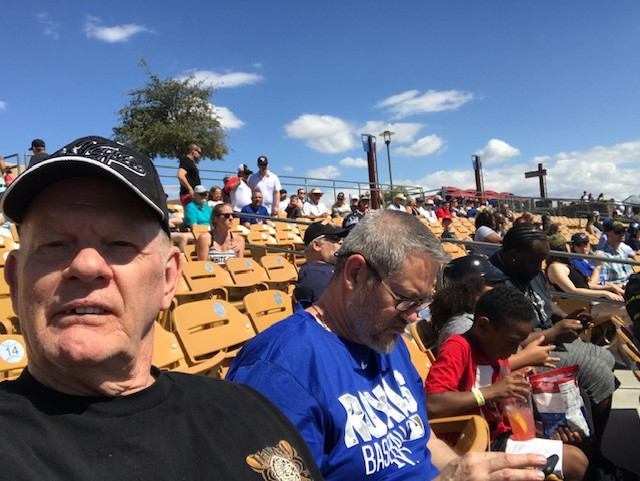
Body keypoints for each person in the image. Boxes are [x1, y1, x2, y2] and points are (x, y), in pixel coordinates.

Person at [0, 135, 323, 480]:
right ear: (16, 281)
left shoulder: (250, 410)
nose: (86, 265)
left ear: (168, 279)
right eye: (54, 243)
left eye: (119, 243)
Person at [227, 210, 549, 481]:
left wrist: (459, 469)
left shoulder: (386, 342)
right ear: (355, 273)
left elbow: (423, 440)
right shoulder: (279, 370)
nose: (413, 317)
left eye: (422, 302)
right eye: (405, 299)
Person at [489, 224, 619, 470]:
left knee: (606, 358)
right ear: (515, 255)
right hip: (529, 353)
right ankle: (589, 458)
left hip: (551, 338)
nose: (540, 268)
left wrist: (568, 317)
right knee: (597, 373)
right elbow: (507, 340)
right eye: (535, 260)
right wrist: (554, 332)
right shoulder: (495, 282)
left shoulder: (530, 270)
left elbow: (547, 307)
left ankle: (592, 445)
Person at [426, 286, 588, 481]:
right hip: (476, 444)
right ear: (483, 326)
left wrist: (548, 431)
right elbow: (432, 403)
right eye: (512, 343)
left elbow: (505, 414)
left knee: (578, 447)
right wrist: (490, 392)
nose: (514, 351)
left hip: (503, 435)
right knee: (576, 462)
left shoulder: (495, 350)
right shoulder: (458, 348)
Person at [546, 234, 626, 320]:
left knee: (632, 303)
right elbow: (572, 290)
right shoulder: (555, 267)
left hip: (589, 302)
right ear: (564, 246)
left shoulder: (563, 265)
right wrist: (605, 293)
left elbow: (586, 285)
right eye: (568, 244)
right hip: (582, 308)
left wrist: (611, 288)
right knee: (631, 307)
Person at [293, 223, 347, 303]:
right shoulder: (314, 274)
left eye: (342, 239)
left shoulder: (330, 267)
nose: (341, 242)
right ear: (317, 245)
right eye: (335, 238)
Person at [177, 143, 202, 207]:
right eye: (199, 152)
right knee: (191, 215)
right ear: (193, 151)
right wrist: (190, 189)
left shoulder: (190, 162)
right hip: (189, 195)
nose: (199, 155)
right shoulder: (186, 161)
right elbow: (180, 175)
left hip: (194, 195)